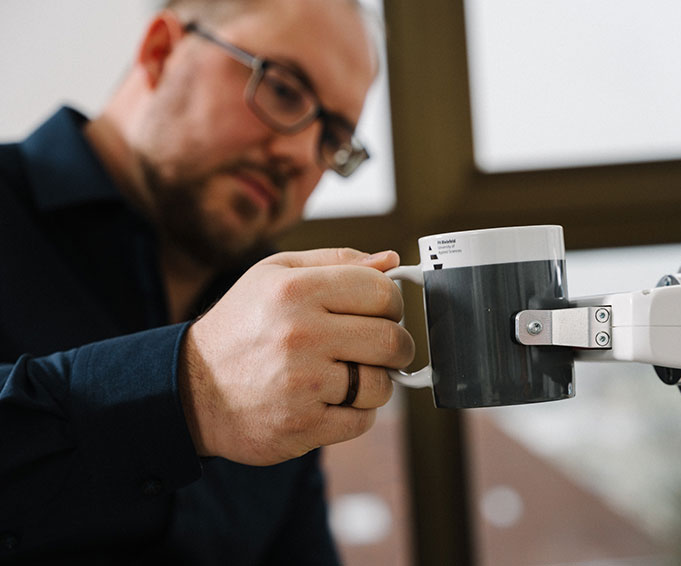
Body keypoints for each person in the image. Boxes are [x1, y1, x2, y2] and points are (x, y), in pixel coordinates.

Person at [0, 0, 414, 563]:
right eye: (285, 88)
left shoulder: (283, 327)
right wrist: (191, 392)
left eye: (332, 140)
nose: (299, 154)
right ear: (161, 51)